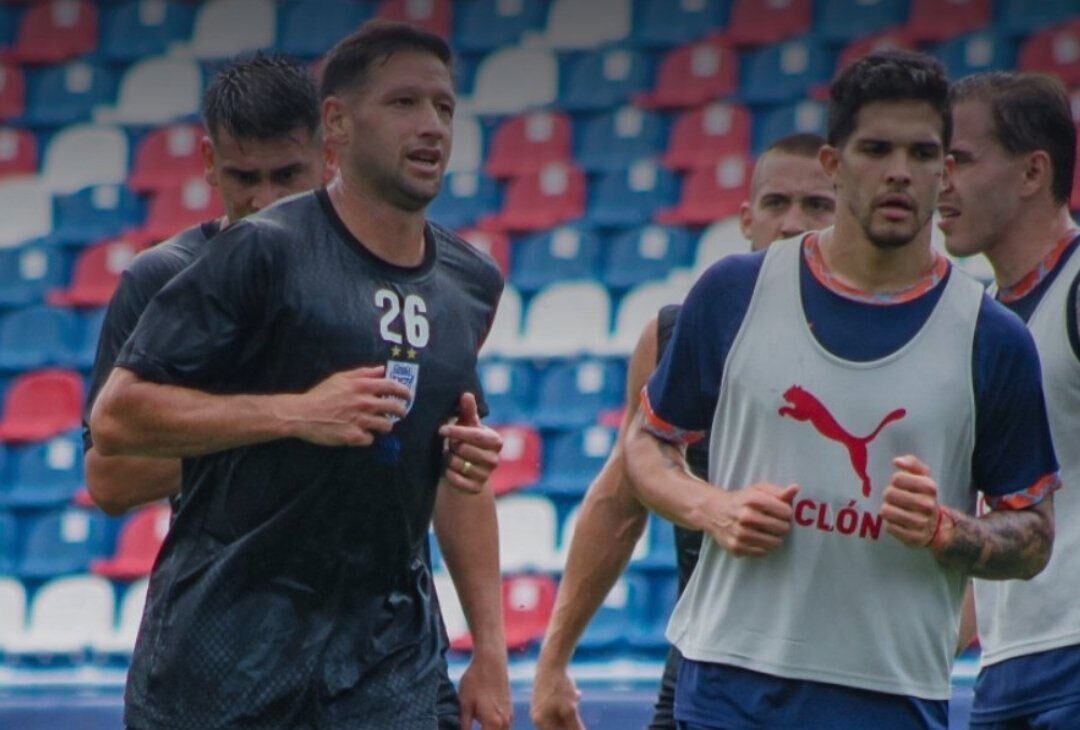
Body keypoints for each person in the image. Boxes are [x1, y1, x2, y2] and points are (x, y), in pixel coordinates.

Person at [90, 21, 511, 730]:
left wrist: (492, 650)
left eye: (443, 107)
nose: (431, 125)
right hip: (230, 650)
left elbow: (453, 474)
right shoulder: (228, 260)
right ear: (339, 127)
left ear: (321, 149)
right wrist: (294, 417)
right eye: (405, 103)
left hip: (388, 657)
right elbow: (112, 443)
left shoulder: (469, 280)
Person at [625, 50, 1059, 730]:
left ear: (945, 171)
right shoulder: (733, 293)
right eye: (875, 148)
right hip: (731, 683)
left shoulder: (991, 338)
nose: (898, 171)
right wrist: (712, 508)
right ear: (835, 163)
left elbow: (1033, 534)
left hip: (893, 694)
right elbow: (649, 445)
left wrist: (950, 529)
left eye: (921, 153)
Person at [530, 132, 836, 730]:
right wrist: (553, 662)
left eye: (817, 206)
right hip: (704, 666)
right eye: (776, 204)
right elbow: (620, 501)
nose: (792, 223)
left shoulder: (896, 340)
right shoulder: (676, 337)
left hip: (842, 678)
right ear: (747, 219)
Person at [84, 52, 332, 517]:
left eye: (287, 176)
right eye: (244, 177)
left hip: (370, 584)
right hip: (222, 581)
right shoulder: (162, 276)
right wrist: (291, 421)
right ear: (209, 162)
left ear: (329, 158)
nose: (266, 201)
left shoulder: (379, 268)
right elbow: (108, 478)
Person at [939, 71, 1080, 730]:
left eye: (959, 160)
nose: (938, 182)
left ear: (1032, 173)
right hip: (1003, 671)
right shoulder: (978, 325)